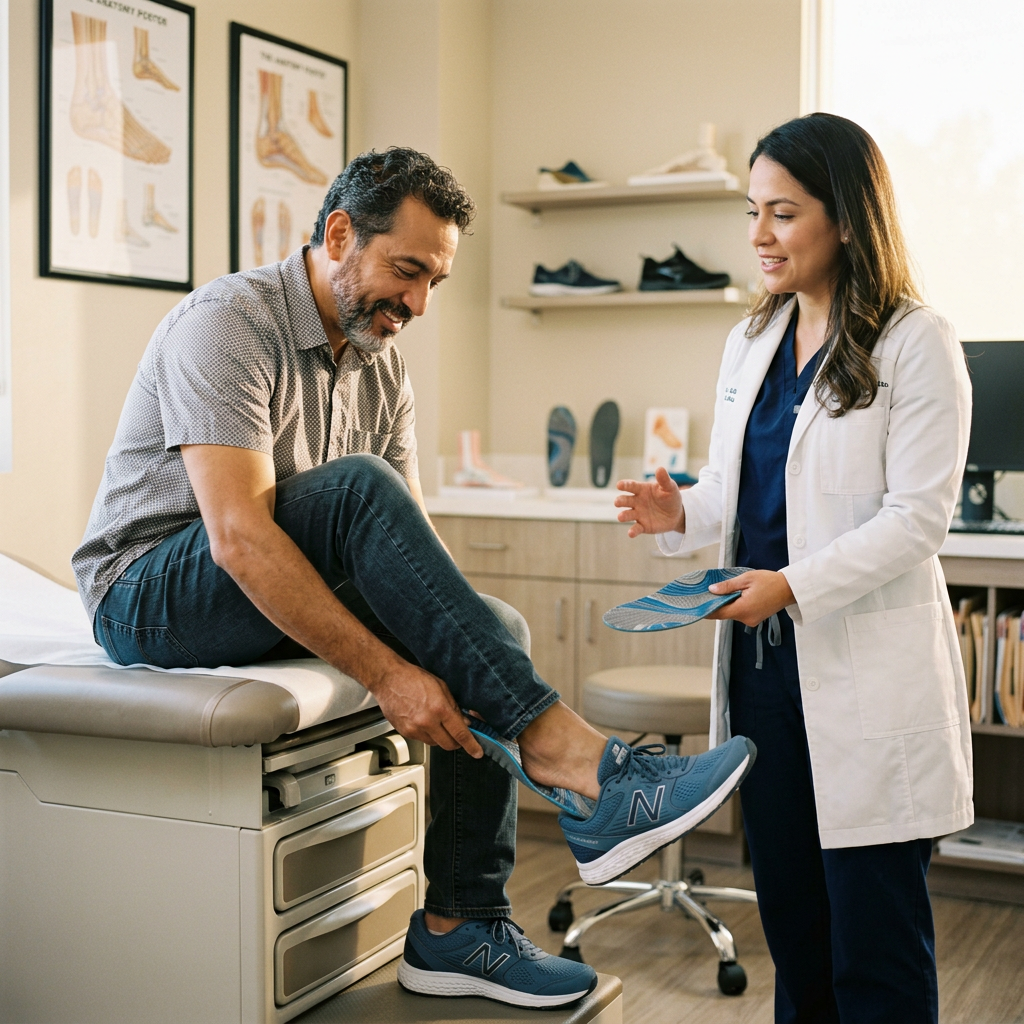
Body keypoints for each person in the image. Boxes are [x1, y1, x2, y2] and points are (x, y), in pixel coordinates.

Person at [72, 147, 753, 1009]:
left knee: (493, 628)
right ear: (340, 233)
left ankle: (460, 926)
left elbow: (413, 560)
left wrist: (449, 654)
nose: (419, 304)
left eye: (435, 281)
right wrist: (388, 674)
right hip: (149, 592)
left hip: (246, 585)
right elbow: (240, 538)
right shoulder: (229, 321)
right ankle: (583, 765)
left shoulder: (382, 367)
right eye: (407, 271)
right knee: (358, 486)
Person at [615, 113, 972, 1024]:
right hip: (764, 678)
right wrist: (679, 513)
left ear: (846, 218)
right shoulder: (751, 341)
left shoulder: (914, 341)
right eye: (752, 212)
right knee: (796, 938)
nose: (759, 236)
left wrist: (791, 586)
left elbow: (918, 520)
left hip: (862, 679)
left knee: (876, 946)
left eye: (783, 213)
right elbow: (739, 496)